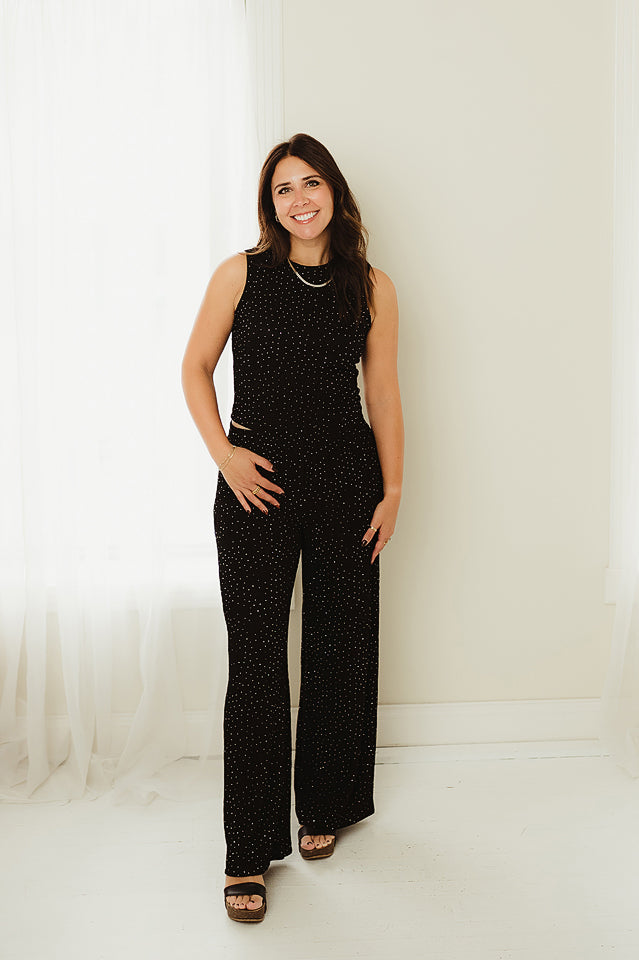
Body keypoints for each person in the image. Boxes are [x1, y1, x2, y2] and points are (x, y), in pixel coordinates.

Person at [181, 133, 404, 923]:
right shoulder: (240, 274)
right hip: (256, 489)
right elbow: (194, 367)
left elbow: (383, 392)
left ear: (333, 193)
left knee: (340, 648)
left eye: (311, 183)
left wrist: (394, 487)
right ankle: (246, 852)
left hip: (346, 483)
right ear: (269, 204)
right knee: (255, 664)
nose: (299, 199)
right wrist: (225, 456)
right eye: (283, 189)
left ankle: (324, 805)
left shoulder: (370, 286)